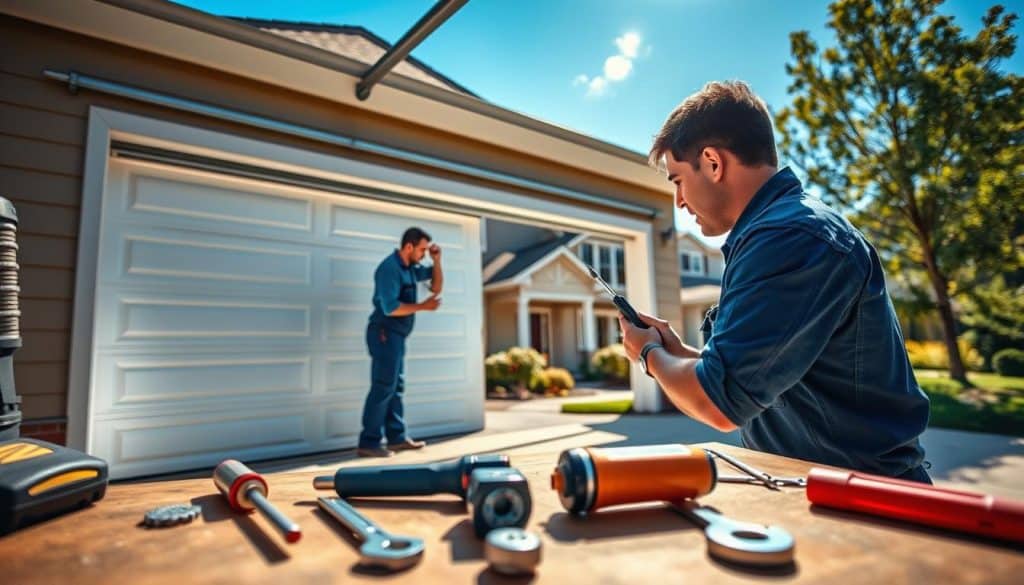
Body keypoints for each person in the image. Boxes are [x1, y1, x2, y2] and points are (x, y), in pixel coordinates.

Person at [620, 81, 931, 482]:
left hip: (867, 503)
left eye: (677, 180)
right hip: (828, 491)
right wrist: (679, 353)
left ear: (712, 163)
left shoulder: (788, 238)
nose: (678, 201)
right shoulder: (779, 232)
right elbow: (763, 376)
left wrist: (648, 356)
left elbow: (720, 403)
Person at [357, 227, 443, 457]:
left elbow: (436, 286)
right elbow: (390, 307)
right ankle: (369, 442)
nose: (424, 254)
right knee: (383, 385)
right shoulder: (389, 269)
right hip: (384, 333)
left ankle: (396, 438)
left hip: (397, 335)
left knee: (396, 386)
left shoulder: (411, 268)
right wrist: (423, 307)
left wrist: (437, 261)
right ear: (409, 247)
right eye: (422, 250)